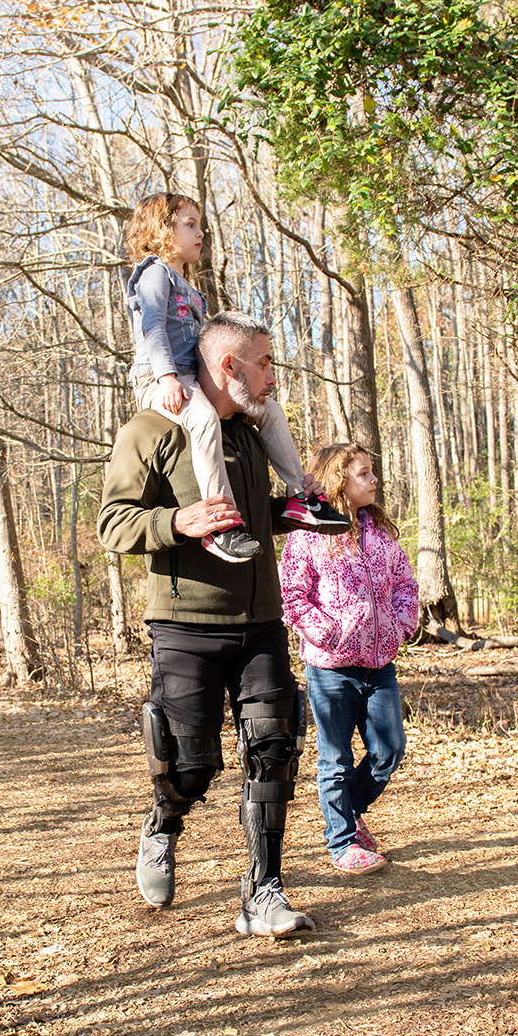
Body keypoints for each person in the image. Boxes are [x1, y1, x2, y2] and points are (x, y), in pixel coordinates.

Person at [100, 311, 340, 939]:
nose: (272, 380)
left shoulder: (252, 434)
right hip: (185, 625)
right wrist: (178, 523)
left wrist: (293, 514)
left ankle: (263, 892)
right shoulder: (152, 429)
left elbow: (252, 512)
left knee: (273, 749)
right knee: (192, 762)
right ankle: (164, 821)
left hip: (261, 622)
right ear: (229, 366)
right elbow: (113, 524)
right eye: (264, 364)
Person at [125, 192, 347, 564]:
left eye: (200, 226)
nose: (200, 233)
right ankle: (221, 524)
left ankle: (302, 498)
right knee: (204, 419)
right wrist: (165, 378)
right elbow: (152, 329)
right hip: (159, 380)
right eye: (190, 225)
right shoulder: (153, 273)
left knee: (271, 410)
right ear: (163, 229)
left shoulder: (190, 288)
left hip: (191, 380)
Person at [279, 443, 418, 875]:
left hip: (379, 665)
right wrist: (331, 634)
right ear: (340, 481)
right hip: (330, 668)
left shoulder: (381, 532)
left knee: (389, 750)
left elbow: (405, 586)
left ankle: (349, 813)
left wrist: (399, 627)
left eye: (372, 472)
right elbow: (293, 597)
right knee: (334, 759)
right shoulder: (309, 534)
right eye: (363, 473)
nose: (374, 479)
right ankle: (341, 844)